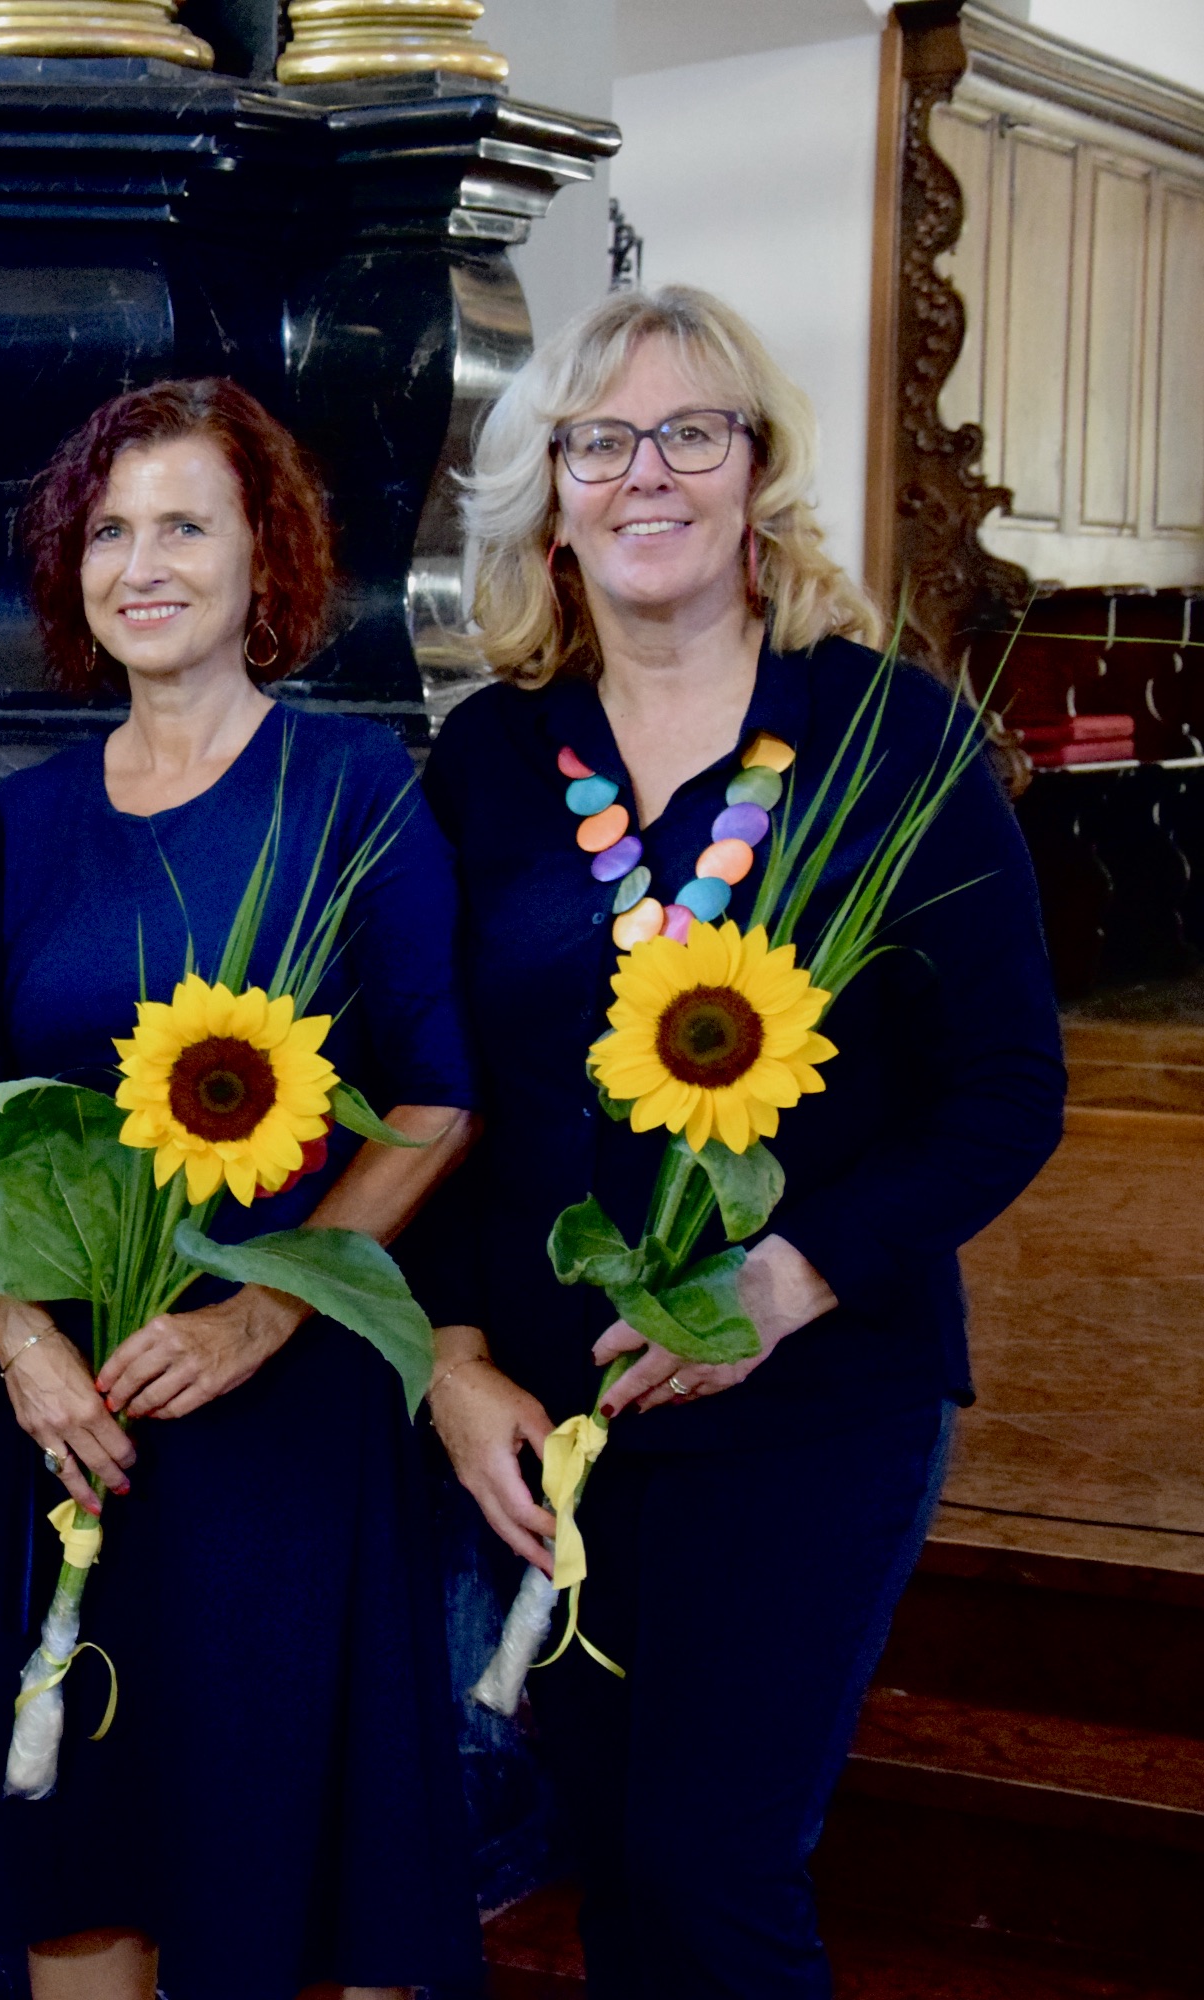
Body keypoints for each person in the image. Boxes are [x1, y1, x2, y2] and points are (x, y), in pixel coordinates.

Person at [419, 286, 1064, 1994]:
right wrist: (454, 1359)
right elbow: (437, 1094)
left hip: (814, 1403)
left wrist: (789, 1278)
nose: (648, 473)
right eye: (601, 441)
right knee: (616, 1867)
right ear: (550, 496)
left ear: (757, 472)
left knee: (715, 1875)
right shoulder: (489, 759)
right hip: (552, 1418)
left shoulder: (891, 734)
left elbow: (1011, 1088)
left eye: (691, 433)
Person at [0, 378, 484, 2000]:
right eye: (110, 531)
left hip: (280, 1425)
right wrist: (20, 1339)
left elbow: (438, 1096)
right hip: (73, 1422)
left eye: (186, 524)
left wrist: (265, 1311)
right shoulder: (20, 819)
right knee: (79, 1857)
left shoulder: (353, 785)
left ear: (268, 555)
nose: (144, 564)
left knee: (271, 1871)